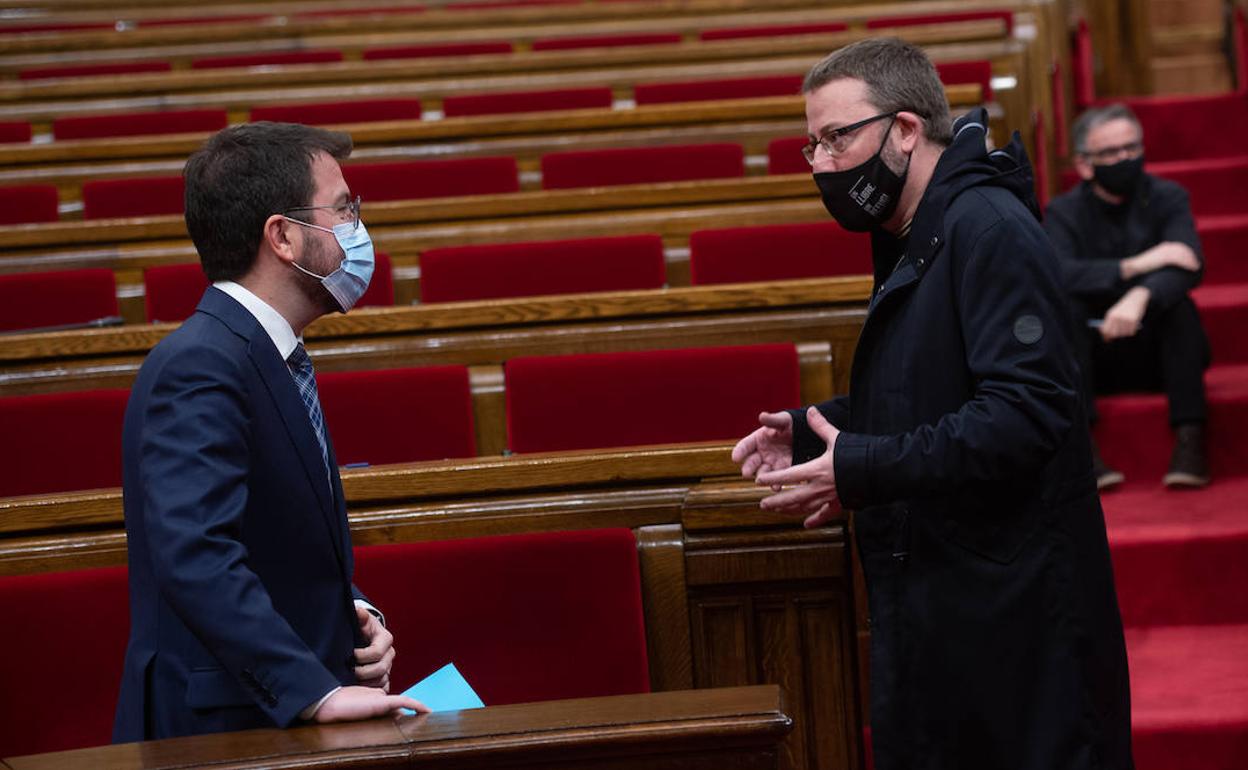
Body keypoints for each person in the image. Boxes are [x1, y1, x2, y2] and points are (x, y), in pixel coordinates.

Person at [731, 39, 1133, 769]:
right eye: (812, 144)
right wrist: (819, 432)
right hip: (958, 607)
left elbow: (1027, 411)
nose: (821, 163)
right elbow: (929, 388)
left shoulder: (989, 228)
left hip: (1020, 619)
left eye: (836, 137)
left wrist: (861, 469)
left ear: (907, 130)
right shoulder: (918, 231)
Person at [114, 122, 425, 742]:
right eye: (343, 209)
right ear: (283, 236)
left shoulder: (263, 351)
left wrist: (352, 614)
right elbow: (197, 554)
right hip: (220, 732)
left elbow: (274, 536)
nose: (357, 229)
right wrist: (312, 692)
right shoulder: (202, 362)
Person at [1044, 103, 1211, 489]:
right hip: (1093, 356)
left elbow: (1189, 264)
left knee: (1180, 307)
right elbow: (1059, 274)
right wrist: (1136, 266)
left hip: (1157, 351)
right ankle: (1083, 448)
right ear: (1085, 164)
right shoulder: (1064, 212)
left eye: (1132, 149)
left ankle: (1190, 441)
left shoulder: (1169, 196)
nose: (1125, 159)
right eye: (1111, 153)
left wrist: (1140, 296)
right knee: (1065, 309)